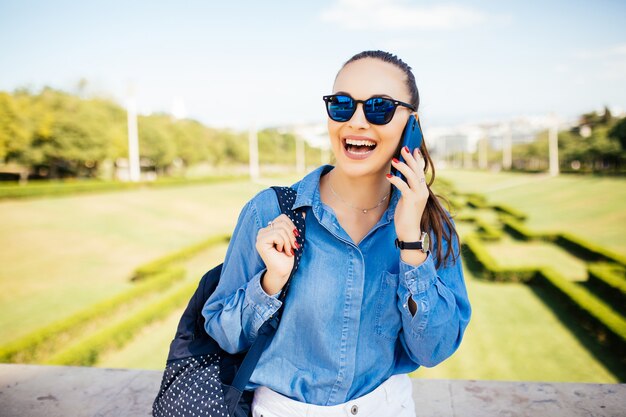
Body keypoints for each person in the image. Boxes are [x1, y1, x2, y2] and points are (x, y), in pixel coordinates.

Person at [202, 50, 471, 417]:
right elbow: (223, 332)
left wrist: (410, 242)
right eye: (342, 105)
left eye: (379, 107)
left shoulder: (431, 225)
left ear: (412, 124)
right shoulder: (269, 211)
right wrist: (270, 283)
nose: (357, 121)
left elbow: (433, 349)